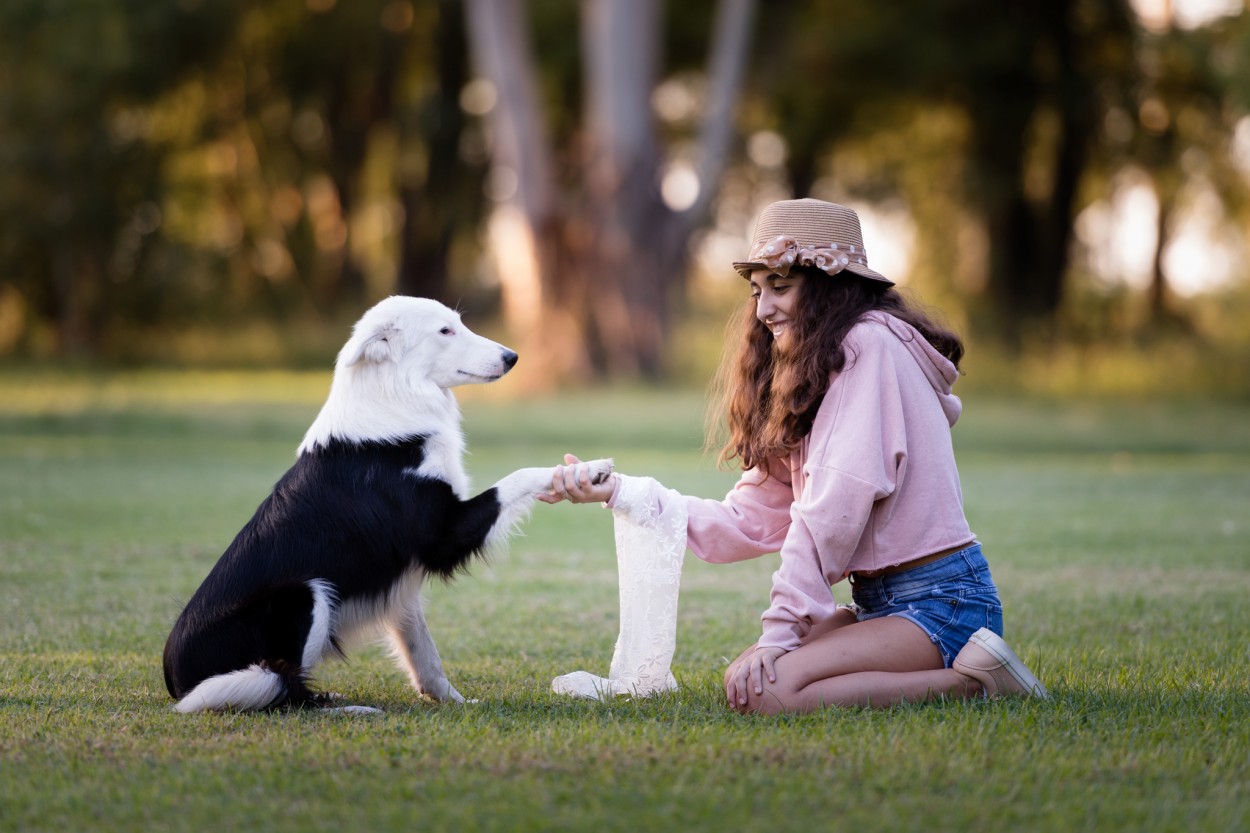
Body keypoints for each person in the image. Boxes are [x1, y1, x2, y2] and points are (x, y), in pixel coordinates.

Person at [544, 198, 1046, 714]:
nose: (762, 310)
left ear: (831, 288)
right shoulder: (820, 369)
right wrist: (622, 492)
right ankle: (954, 672)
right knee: (742, 681)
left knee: (769, 691)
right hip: (882, 603)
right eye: (758, 291)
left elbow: (830, 512)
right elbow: (749, 519)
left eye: (780, 287)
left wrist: (781, 632)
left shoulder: (869, 349)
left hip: (943, 604)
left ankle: (976, 683)